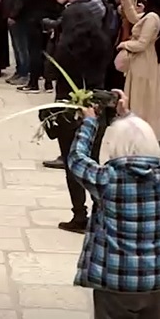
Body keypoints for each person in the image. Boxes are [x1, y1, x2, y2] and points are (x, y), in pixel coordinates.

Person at [69, 91, 160, 319]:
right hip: (155, 281)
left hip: (115, 281)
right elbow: (138, 137)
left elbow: (77, 159)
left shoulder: (107, 179)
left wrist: (89, 123)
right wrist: (128, 116)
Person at [51, 0, 112, 232]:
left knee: (71, 159)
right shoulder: (101, 44)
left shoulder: (65, 50)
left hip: (69, 103)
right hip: (95, 103)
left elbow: (53, 73)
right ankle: (98, 211)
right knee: (93, 158)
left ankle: (79, 213)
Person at [17, 0, 63, 93]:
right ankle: (48, 82)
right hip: (53, 13)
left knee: (35, 50)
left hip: (35, 14)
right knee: (48, 48)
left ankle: (34, 82)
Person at [118, 0, 160, 140]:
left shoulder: (153, 18)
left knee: (141, 98)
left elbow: (142, 43)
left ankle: (140, 132)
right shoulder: (151, 15)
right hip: (143, 61)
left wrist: (125, 45)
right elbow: (134, 18)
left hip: (144, 61)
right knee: (140, 97)